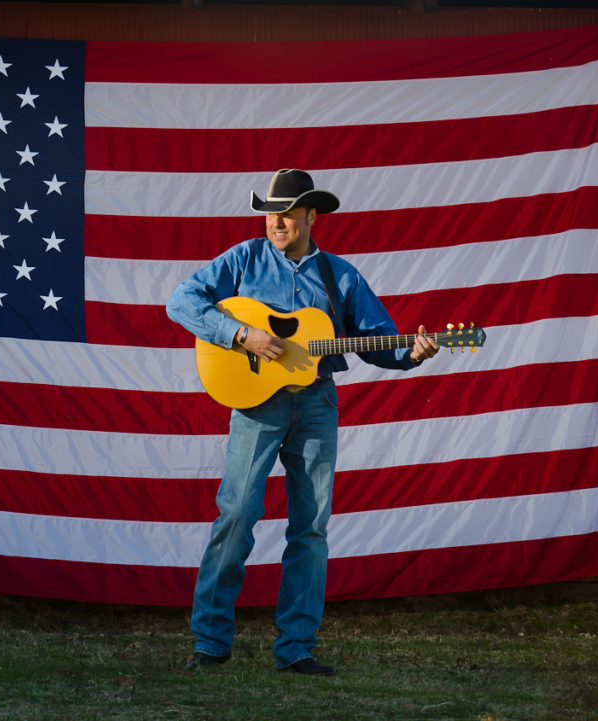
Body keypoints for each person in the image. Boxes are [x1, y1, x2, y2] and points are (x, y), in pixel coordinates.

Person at [166, 169, 439, 676]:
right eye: (271, 212)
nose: (277, 221)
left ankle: (296, 649)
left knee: (310, 529)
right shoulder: (244, 259)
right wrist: (241, 334)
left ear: (312, 216)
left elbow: (382, 340)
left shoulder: (340, 276)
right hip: (256, 406)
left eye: (287, 212)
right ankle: (210, 642)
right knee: (237, 514)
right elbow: (181, 302)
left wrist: (414, 352)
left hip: (316, 405)